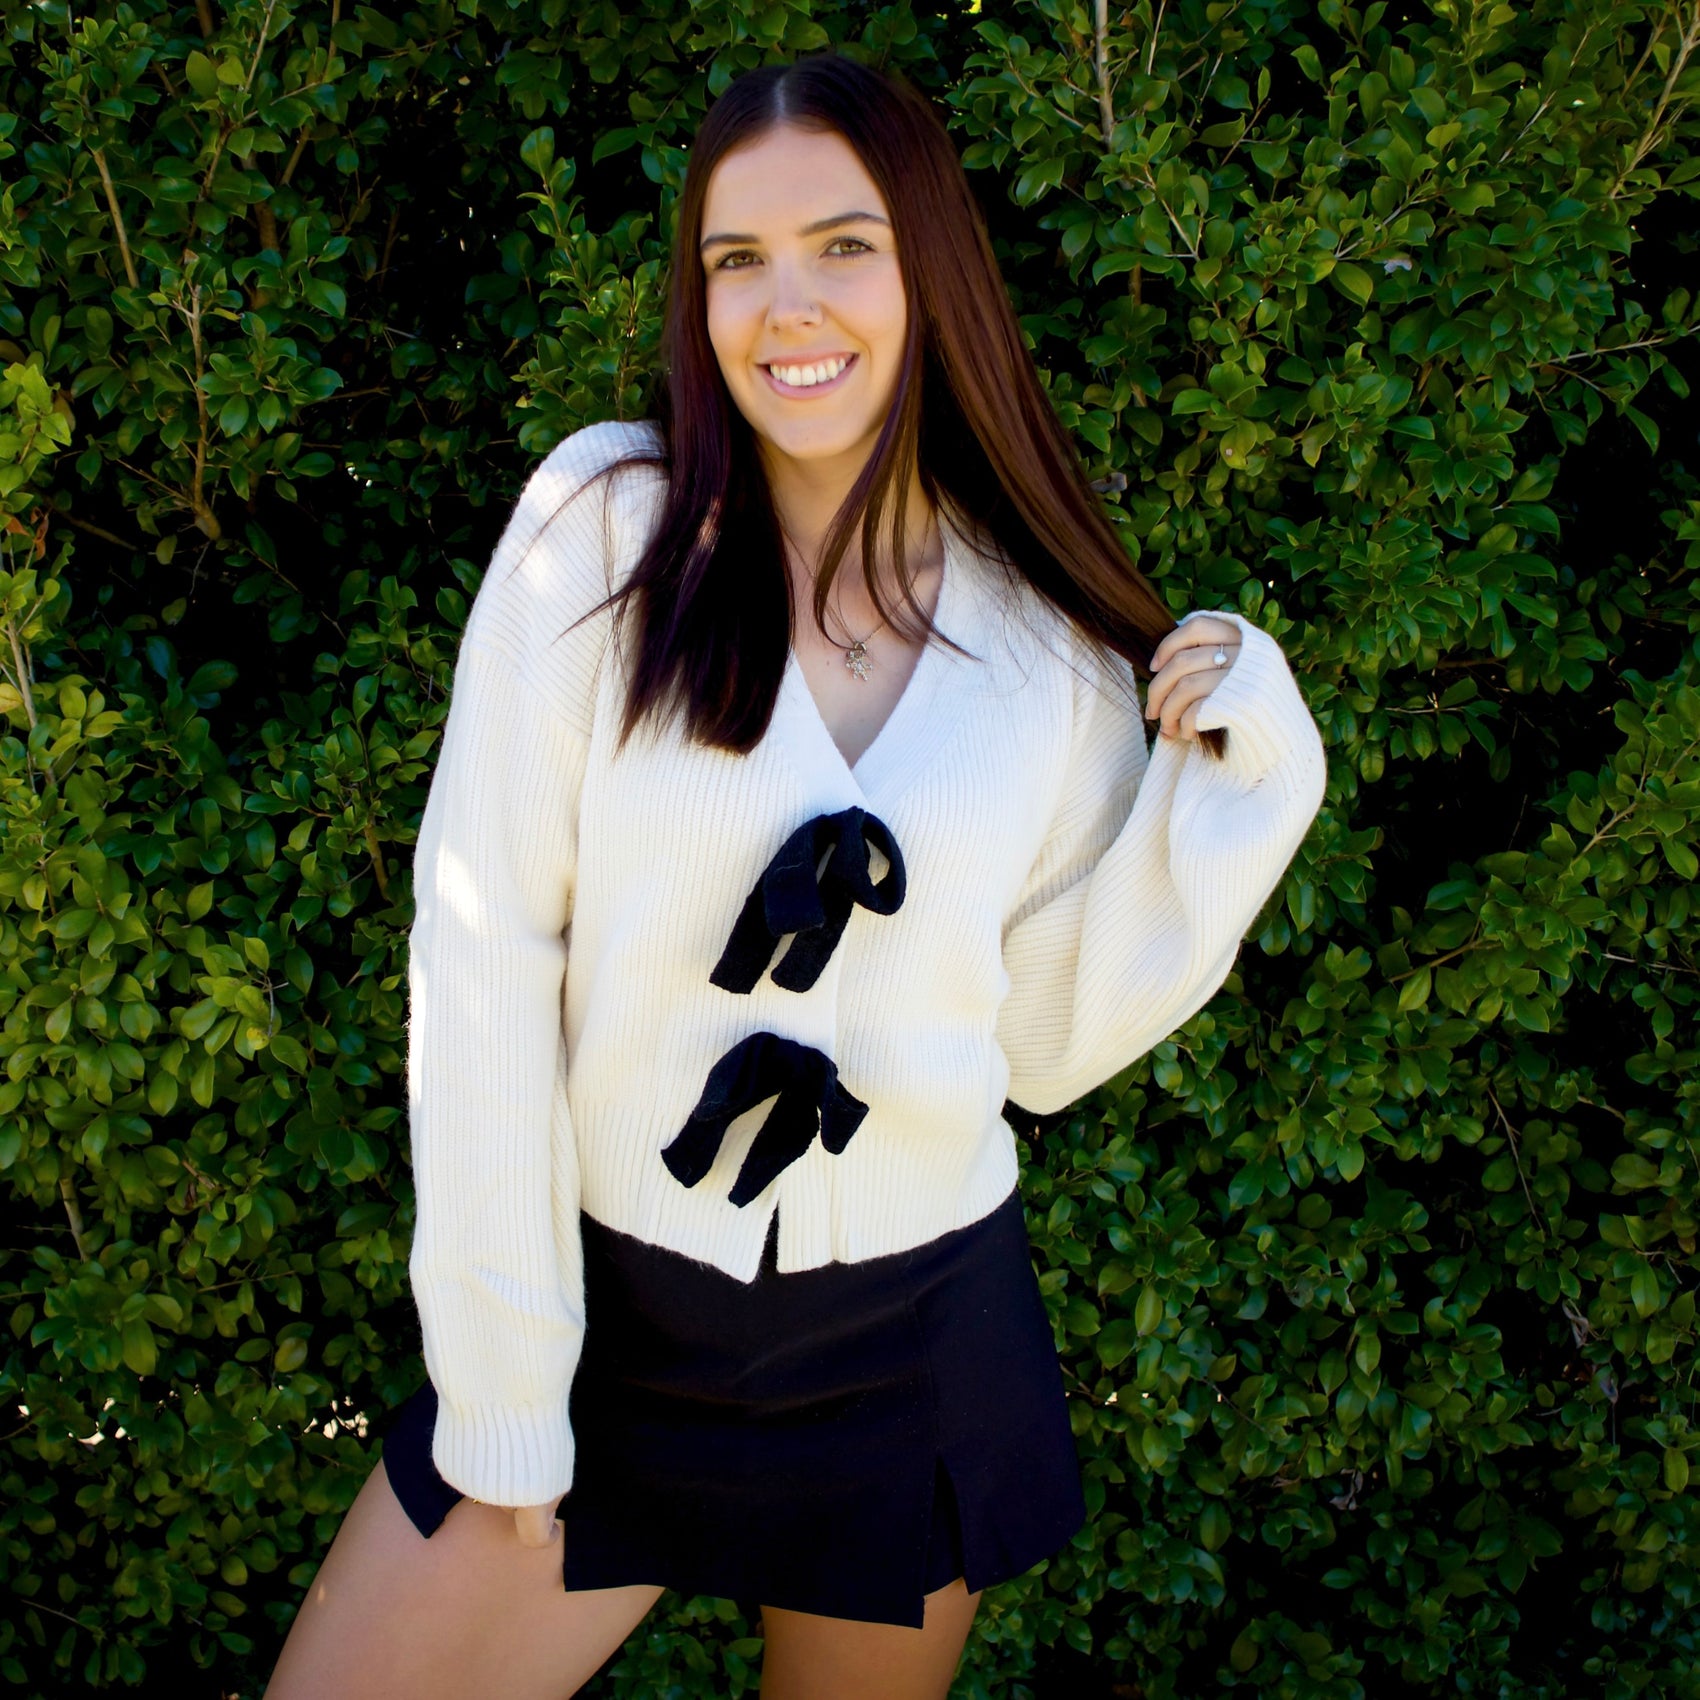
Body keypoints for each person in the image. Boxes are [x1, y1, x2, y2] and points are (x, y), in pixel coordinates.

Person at [263, 50, 1327, 1700]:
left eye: (843, 244)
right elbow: (476, 964)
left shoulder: (1041, 653)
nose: (787, 305)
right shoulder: (602, 541)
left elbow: (1041, 1043)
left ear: (929, 269)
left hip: (914, 1346)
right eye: (735, 260)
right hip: (607, 1323)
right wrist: (502, 1393)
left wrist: (1252, 796)